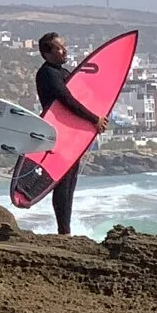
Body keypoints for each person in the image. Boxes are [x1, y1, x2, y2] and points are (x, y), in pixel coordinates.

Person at [33, 32, 103, 235]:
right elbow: (66, 100)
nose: (65, 50)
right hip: (59, 134)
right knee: (62, 182)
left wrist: (96, 116)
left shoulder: (63, 72)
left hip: (72, 134)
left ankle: (66, 228)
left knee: (70, 181)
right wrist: (94, 119)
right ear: (46, 53)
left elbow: (81, 95)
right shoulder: (47, 73)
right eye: (59, 48)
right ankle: (63, 230)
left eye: (65, 46)